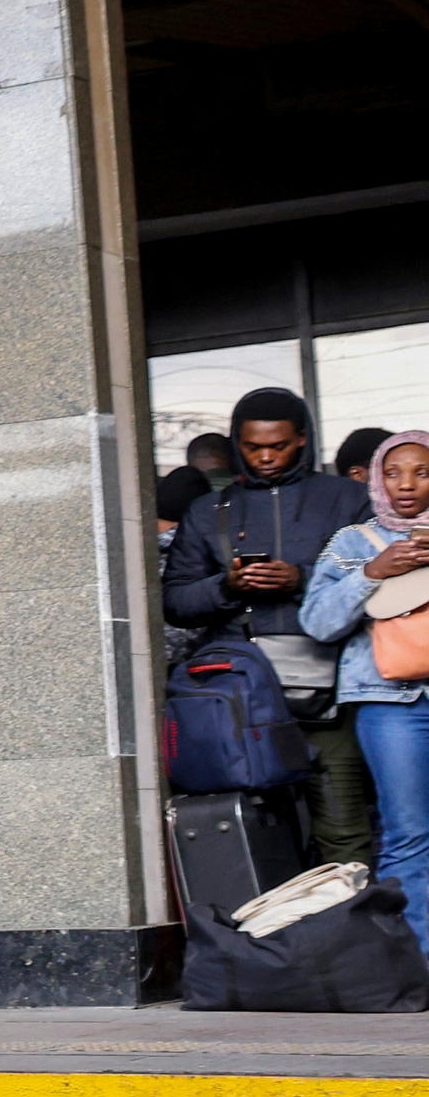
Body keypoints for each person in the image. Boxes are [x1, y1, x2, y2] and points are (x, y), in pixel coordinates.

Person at [162, 384, 375, 868]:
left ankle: (347, 935)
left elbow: (381, 587)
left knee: (343, 827)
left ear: (302, 439)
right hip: (239, 691)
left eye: (277, 445)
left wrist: (301, 581)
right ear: (238, 442)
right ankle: (271, 937)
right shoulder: (208, 510)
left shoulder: (347, 499)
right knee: (248, 830)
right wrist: (228, 586)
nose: (265, 457)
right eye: (253, 446)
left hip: (330, 689)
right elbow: (174, 600)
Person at [307, 431, 429, 907]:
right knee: (409, 833)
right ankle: (418, 967)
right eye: (393, 472)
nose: (406, 484)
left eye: (422, 472)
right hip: (388, 704)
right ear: (376, 480)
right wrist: (372, 572)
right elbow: (317, 622)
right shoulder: (353, 542)